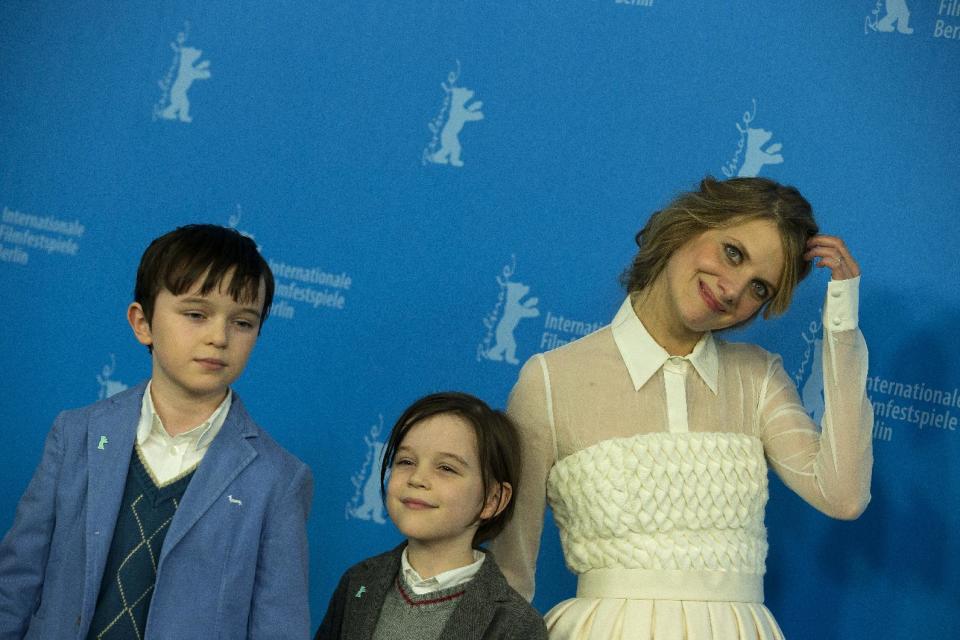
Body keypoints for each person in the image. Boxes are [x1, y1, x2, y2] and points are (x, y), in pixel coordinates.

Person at [488, 177, 873, 639]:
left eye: (759, 289)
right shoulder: (551, 378)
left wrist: (842, 323)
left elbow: (843, 495)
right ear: (688, 226)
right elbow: (510, 573)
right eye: (733, 252)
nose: (733, 290)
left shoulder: (758, 378)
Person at [0, 224, 313, 639]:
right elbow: (16, 587)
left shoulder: (277, 480)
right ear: (142, 322)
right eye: (196, 314)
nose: (218, 337)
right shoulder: (76, 434)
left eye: (242, 322)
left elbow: (279, 628)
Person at [316, 392, 548, 640]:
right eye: (406, 461)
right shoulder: (358, 582)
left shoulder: (515, 623)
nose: (417, 478)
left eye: (446, 468)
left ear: (493, 500)